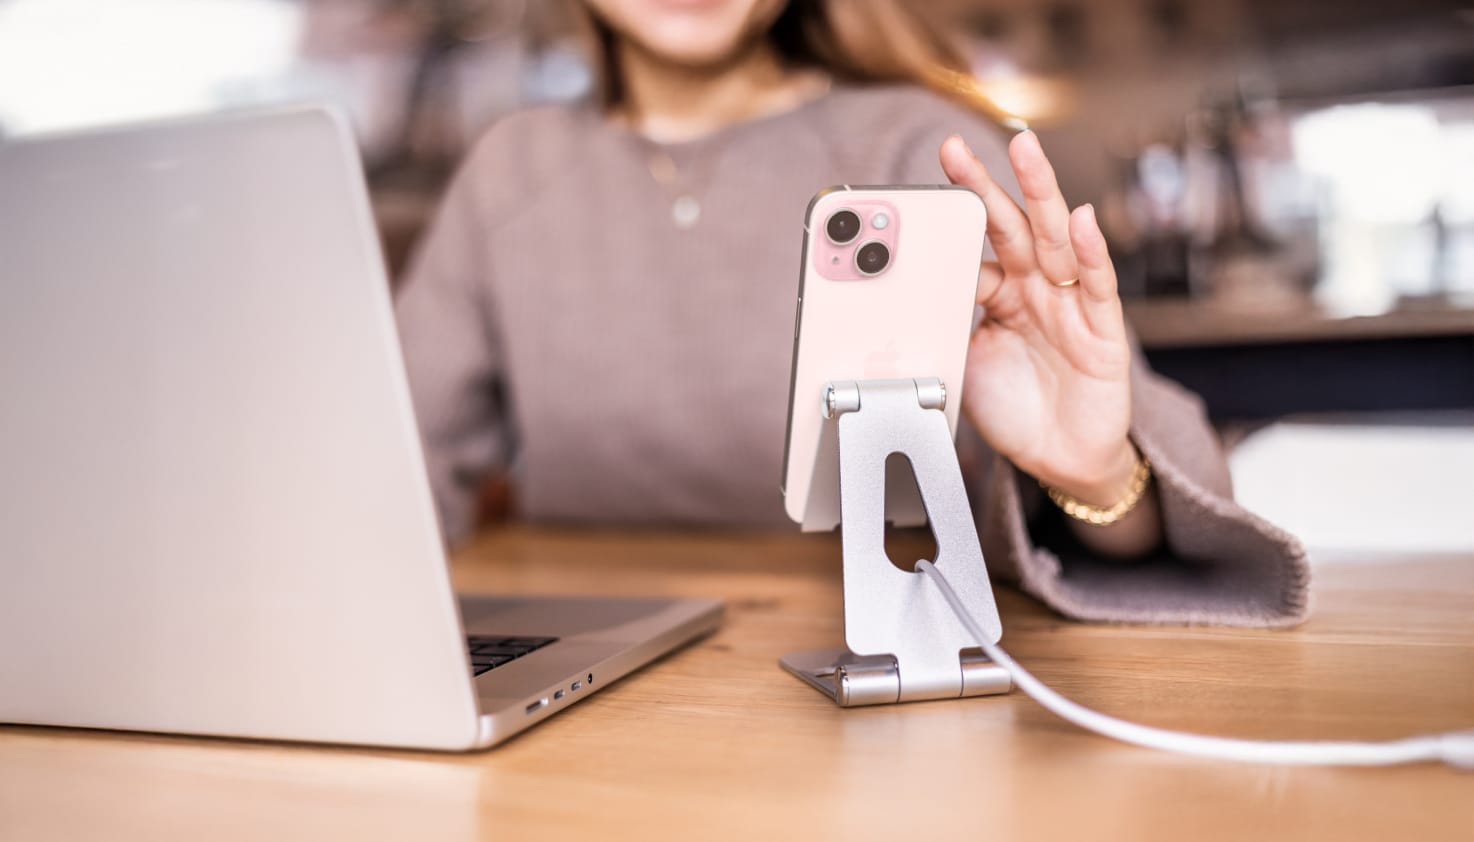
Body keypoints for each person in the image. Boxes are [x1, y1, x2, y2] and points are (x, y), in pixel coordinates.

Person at [395, 0, 1308, 626]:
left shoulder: (918, 147)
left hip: (877, 678)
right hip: (582, 695)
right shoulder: (509, 171)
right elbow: (399, 469)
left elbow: (1145, 514)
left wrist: (1097, 475)